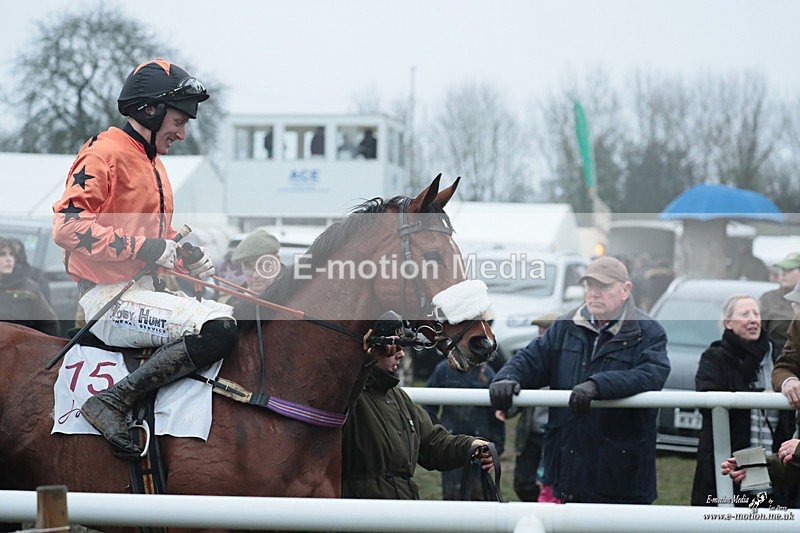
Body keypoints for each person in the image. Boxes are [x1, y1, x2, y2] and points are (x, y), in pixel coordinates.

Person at [51, 58, 238, 459]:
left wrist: (184, 257)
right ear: (149, 110)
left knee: (235, 316)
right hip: (106, 300)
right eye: (179, 121)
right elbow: (67, 228)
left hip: (140, 292)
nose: (183, 134)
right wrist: (148, 248)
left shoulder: (154, 163)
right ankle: (111, 402)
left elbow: (154, 238)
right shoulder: (103, 153)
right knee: (219, 329)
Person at [489, 255, 670, 504]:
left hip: (621, 468)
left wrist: (598, 385)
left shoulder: (649, 332)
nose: (594, 293)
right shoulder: (565, 326)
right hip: (569, 462)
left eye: (603, 287)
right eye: (589, 286)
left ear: (625, 289)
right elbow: (532, 359)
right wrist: (507, 377)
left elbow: (652, 374)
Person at [342, 338, 495, 499]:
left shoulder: (398, 397)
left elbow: (431, 443)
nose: (400, 354)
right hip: (363, 515)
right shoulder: (346, 397)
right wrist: (364, 359)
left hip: (404, 509)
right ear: (369, 349)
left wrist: (470, 446)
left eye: (401, 347)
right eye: (391, 347)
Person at [690, 295, 793, 506]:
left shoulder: (779, 355)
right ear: (728, 322)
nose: (753, 319)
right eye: (745, 314)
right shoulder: (714, 356)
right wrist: (755, 398)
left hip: (777, 456)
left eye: (756, 314)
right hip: (727, 457)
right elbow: (707, 400)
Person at [494, 311, 559, 503]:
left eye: (545, 331)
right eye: (539, 331)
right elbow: (520, 391)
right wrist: (507, 408)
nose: (541, 336)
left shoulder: (566, 362)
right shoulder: (533, 361)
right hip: (531, 433)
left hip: (555, 433)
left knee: (549, 482)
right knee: (524, 483)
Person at [424, 361, 505, 500]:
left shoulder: (487, 374)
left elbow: (496, 414)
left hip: (480, 448)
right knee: (453, 496)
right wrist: (438, 437)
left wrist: (496, 446)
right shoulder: (443, 370)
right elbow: (428, 407)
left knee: (480, 497)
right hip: (451, 447)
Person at [0, 236, 59, 336]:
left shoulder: (29, 289)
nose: (9, 259)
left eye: (11, 254)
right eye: (2, 254)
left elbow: (50, 325)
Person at [218, 229, 281, 305]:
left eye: (263, 266)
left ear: (277, 261)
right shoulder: (234, 305)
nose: (255, 275)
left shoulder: (293, 296)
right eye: (248, 268)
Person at [761, 252, 800, 354]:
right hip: (776, 356)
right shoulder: (768, 298)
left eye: (790, 270)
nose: (783, 274)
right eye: (782, 270)